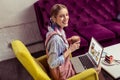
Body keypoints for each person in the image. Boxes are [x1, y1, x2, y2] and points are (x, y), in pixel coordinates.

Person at [45, 4, 101, 80]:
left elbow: (59, 48)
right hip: (65, 75)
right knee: (97, 68)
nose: (66, 18)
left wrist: (69, 40)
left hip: (67, 66)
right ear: (54, 18)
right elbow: (52, 64)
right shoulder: (55, 39)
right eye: (61, 16)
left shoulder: (56, 30)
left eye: (67, 15)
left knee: (89, 63)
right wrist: (70, 50)